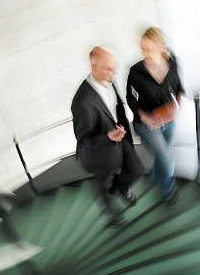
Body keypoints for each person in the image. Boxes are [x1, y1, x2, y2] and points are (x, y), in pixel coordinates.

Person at [72, 46, 143, 226]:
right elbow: (84, 140)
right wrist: (108, 137)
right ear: (94, 68)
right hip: (99, 151)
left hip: (119, 139)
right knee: (102, 184)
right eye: (109, 68)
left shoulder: (109, 78)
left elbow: (116, 105)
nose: (115, 72)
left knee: (136, 169)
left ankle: (120, 187)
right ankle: (111, 214)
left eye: (114, 66)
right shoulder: (82, 102)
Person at [126, 27, 184, 206]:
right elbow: (130, 98)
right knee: (166, 158)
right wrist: (145, 117)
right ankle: (168, 191)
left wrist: (176, 109)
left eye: (148, 49)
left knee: (162, 156)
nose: (144, 53)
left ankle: (156, 175)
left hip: (168, 121)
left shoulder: (173, 63)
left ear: (161, 47)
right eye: (142, 48)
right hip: (147, 125)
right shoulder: (136, 72)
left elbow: (179, 89)